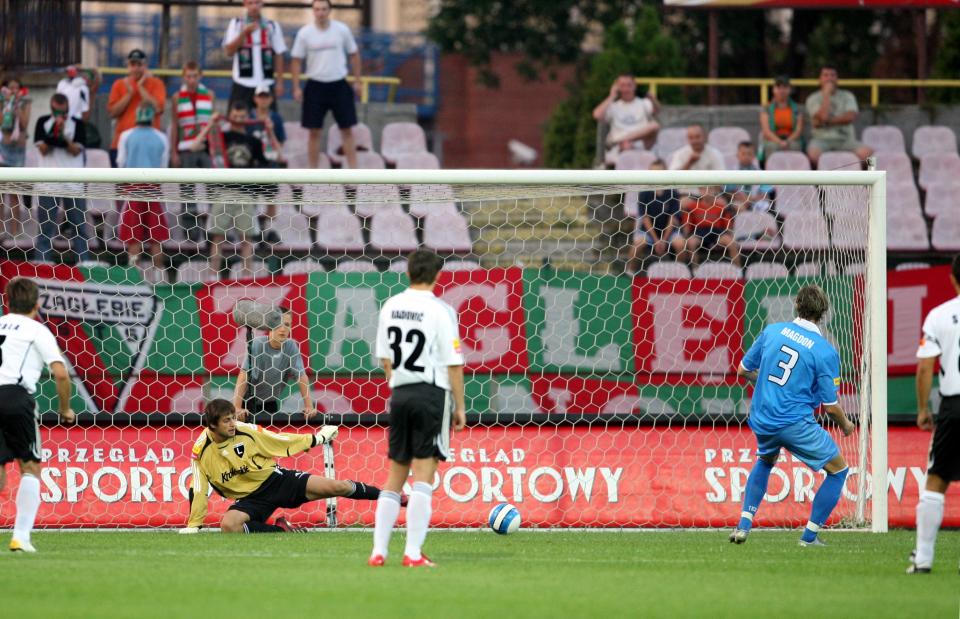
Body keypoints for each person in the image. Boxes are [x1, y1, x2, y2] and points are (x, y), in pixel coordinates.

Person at [729, 285, 856, 547]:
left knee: (765, 458)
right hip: (793, 423)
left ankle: (743, 525)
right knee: (839, 470)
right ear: (823, 313)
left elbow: (743, 370)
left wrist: (765, 381)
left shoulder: (772, 331)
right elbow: (831, 406)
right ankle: (809, 537)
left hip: (762, 418)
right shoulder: (825, 351)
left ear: (797, 305)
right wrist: (846, 425)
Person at [369, 249, 467, 568]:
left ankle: (378, 553)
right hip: (430, 394)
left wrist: (397, 382)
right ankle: (412, 553)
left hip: (399, 392)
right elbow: (453, 365)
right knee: (424, 474)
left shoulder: (391, 305)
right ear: (438, 275)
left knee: (395, 475)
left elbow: (385, 358)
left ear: (408, 272)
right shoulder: (441, 311)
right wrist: (460, 407)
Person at [179, 399, 385, 534]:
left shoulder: (246, 431)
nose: (233, 423)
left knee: (337, 487)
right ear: (212, 425)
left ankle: (390, 496)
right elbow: (198, 488)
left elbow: (280, 440)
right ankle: (283, 531)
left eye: (233, 418)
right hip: (250, 499)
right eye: (226, 421)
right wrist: (194, 525)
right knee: (229, 525)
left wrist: (316, 439)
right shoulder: (200, 452)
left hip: (275, 481)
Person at [0, 277, 75, 552]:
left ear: (7, 301)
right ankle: (21, 536)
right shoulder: (36, 329)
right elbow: (60, 372)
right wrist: (65, 408)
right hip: (16, 397)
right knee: (29, 467)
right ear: (37, 303)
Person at [908, 254, 960, 574]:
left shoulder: (939, 315)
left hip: (954, 406)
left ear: (953, 278)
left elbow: (926, 366)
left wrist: (924, 409)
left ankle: (924, 558)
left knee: (936, 479)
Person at [290, 0, 362, 169]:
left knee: (347, 130)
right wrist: (296, 86)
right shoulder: (305, 33)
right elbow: (296, 60)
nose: (320, 13)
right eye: (317, 9)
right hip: (315, 85)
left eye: (324, 9)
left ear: (329, 10)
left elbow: (354, 54)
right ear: (313, 11)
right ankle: (313, 172)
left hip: (339, 84)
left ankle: (354, 172)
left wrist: (357, 81)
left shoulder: (342, 30)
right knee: (314, 131)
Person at [208, 102, 268, 279]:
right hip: (224, 192)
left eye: (242, 117)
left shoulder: (254, 141)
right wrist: (211, 125)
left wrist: (269, 131)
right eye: (235, 116)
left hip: (246, 193)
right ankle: (213, 276)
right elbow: (195, 146)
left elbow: (273, 158)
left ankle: (246, 276)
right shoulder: (221, 137)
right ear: (229, 117)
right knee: (217, 236)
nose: (239, 120)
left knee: (246, 238)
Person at [33, 93, 92, 264]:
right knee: (45, 229)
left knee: (79, 228)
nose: (60, 114)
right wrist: (53, 132)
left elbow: (75, 150)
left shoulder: (77, 124)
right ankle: (42, 265)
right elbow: (43, 149)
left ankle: (84, 264)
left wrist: (64, 137)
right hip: (48, 183)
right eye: (56, 111)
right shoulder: (43, 122)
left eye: (62, 111)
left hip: (73, 183)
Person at [117, 104, 171, 283]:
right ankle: (159, 279)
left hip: (133, 190)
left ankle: (134, 280)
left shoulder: (126, 135)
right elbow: (164, 167)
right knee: (156, 240)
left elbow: (121, 163)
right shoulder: (161, 137)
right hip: (154, 190)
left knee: (134, 240)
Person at [233, 306, 315, 423]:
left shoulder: (291, 346)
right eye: (278, 324)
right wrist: (237, 407)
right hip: (247, 404)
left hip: (270, 404)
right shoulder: (258, 344)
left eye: (287, 324)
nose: (283, 329)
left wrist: (309, 407)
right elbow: (244, 375)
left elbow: (301, 377)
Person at [170, 61, 216, 243]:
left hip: (205, 148)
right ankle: (191, 232)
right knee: (188, 192)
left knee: (212, 190)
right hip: (186, 148)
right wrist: (174, 152)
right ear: (184, 77)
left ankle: (214, 230)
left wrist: (214, 150)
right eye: (188, 76)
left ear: (200, 76)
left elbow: (212, 125)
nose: (191, 79)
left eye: (194, 75)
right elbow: (175, 126)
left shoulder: (209, 95)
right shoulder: (176, 97)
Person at [223, 0, 287, 112]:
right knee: (237, 122)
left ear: (262, 3)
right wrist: (244, 33)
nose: (254, 7)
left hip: (266, 82)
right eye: (250, 3)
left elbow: (279, 54)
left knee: (268, 121)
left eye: (257, 3)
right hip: (242, 82)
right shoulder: (237, 23)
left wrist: (280, 82)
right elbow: (229, 51)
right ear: (245, 4)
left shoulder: (272, 25)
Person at [107, 49, 166, 168]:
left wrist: (140, 87)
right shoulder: (120, 84)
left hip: (149, 144)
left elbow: (158, 108)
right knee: (123, 185)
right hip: (122, 143)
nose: (136, 68)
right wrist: (129, 94)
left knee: (149, 185)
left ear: (145, 66)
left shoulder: (156, 83)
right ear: (128, 66)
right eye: (133, 64)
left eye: (139, 65)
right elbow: (113, 112)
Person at [805, 66, 873, 168]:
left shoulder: (847, 95)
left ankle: (866, 181)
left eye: (833, 75)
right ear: (820, 79)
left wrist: (826, 122)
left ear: (837, 78)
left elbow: (850, 117)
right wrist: (826, 94)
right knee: (813, 155)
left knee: (869, 155)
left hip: (845, 139)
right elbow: (823, 116)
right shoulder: (813, 98)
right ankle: (823, 182)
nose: (829, 78)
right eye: (826, 75)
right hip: (821, 139)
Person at [628, 160, 684, 271]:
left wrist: (663, 240)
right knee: (638, 244)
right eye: (653, 172)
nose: (657, 175)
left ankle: (678, 273)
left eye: (660, 172)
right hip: (648, 233)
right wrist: (656, 240)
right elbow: (645, 219)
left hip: (669, 232)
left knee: (681, 244)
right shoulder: (645, 193)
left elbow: (672, 219)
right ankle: (630, 272)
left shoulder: (672, 192)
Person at [592, 73, 660, 161]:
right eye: (622, 85)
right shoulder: (613, 106)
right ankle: (623, 144)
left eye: (629, 85)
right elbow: (596, 115)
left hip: (640, 144)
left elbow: (658, 111)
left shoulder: (643, 103)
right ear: (617, 87)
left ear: (634, 86)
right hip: (619, 148)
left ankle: (622, 141)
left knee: (654, 125)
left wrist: (653, 100)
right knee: (626, 146)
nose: (626, 89)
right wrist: (611, 96)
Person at [248, 84, 286, 242]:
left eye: (266, 97)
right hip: (253, 164)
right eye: (260, 96)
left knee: (271, 197)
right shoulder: (249, 117)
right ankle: (255, 229)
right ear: (255, 99)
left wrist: (270, 130)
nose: (263, 100)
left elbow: (280, 147)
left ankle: (270, 229)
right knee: (252, 198)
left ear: (270, 99)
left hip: (269, 163)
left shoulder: (276, 118)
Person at [0, 76, 31, 237]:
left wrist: (17, 108)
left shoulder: (25, 102)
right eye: (10, 88)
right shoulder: (2, 101)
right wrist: (6, 105)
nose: (13, 91)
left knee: (13, 194)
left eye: (16, 88)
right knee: (0, 193)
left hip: (17, 153)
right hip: (2, 151)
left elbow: (25, 124)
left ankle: (14, 232)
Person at [678, 190, 741, 267]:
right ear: (700, 191)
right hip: (700, 232)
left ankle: (738, 271)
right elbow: (687, 225)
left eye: (710, 189)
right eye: (704, 189)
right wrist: (686, 237)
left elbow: (728, 227)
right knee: (691, 243)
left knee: (731, 243)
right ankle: (695, 270)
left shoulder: (721, 207)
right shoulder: (692, 206)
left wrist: (729, 237)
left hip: (717, 232)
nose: (707, 192)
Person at [759, 75, 804, 163]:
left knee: (795, 146)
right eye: (778, 87)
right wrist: (780, 142)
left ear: (790, 90)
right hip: (773, 139)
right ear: (773, 90)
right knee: (771, 146)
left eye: (785, 87)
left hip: (791, 139)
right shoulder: (766, 108)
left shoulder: (796, 108)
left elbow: (798, 130)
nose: (782, 90)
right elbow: (766, 131)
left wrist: (787, 141)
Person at [725, 141, 774, 213]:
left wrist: (751, 199)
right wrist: (743, 199)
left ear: (754, 156)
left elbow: (765, 193)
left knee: (764, 207)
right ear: (737, 155)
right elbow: (730, 192)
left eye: (749, 154)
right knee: (738, 207)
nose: (746, 156)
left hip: (756, 201)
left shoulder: (760, 173)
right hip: (739, 202)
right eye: (743, 154)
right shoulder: (732, 172)